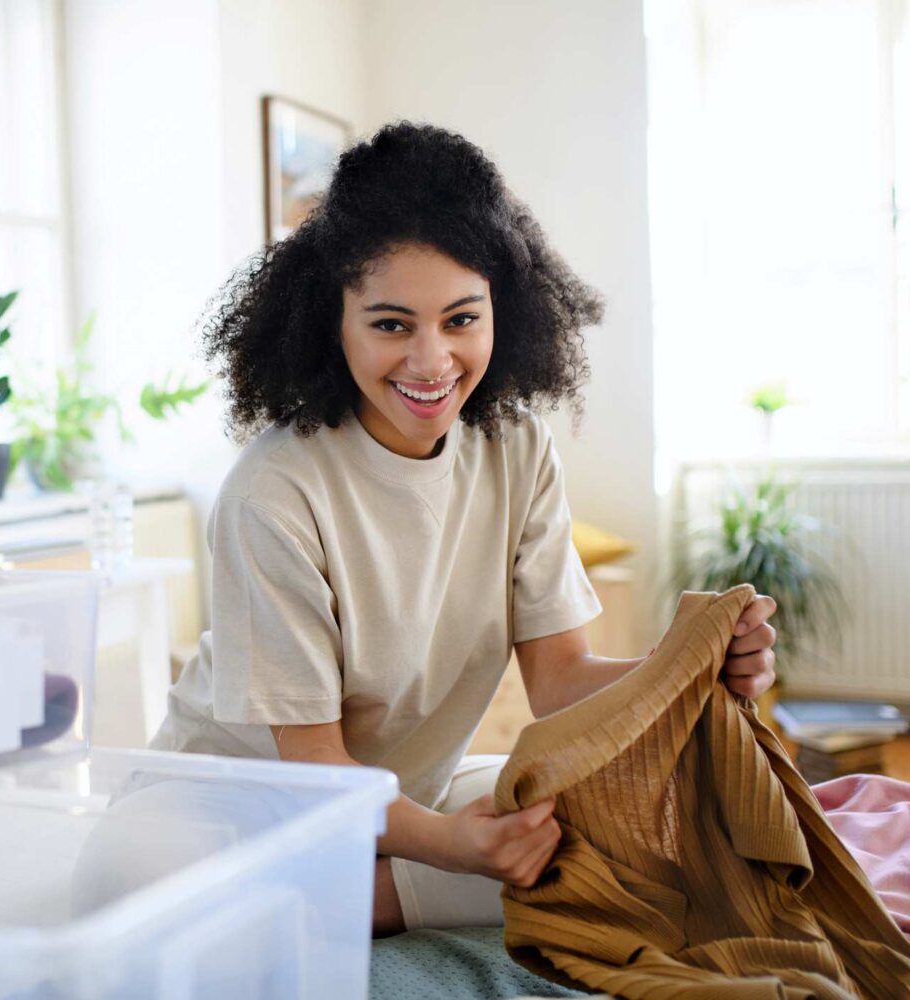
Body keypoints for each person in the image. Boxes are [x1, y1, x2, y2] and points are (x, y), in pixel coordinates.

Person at [144, 121, 778, 934]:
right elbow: (316, 775)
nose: (431, 361)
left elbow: (560, 680)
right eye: (391, 324)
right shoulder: (273, 494)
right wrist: (453, 848)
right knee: (571, 871)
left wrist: (691, 665)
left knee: (665, 836)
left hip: (407, 802)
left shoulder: (517, 450)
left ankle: (372, 896)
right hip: (238, 819)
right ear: (330, 322)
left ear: (500, 314)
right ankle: (352, 901)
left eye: (460, 319)